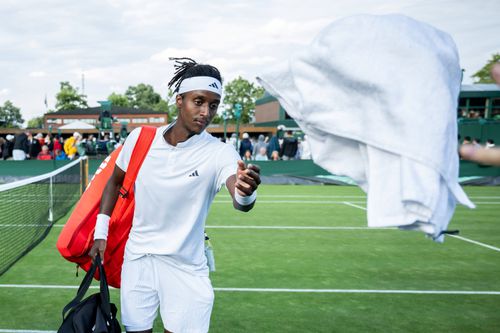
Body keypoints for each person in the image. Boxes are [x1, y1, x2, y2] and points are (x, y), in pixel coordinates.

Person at [89, 57, 261, 333]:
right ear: (179, 100)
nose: (206, 111)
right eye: (199, 101)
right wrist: (101, 233)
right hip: (139, 261)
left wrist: (245, 193)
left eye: (213, 105)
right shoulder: (140, 139)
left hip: (186, 268)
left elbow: (239, 199)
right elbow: (113, 182)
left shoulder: (219, 153)